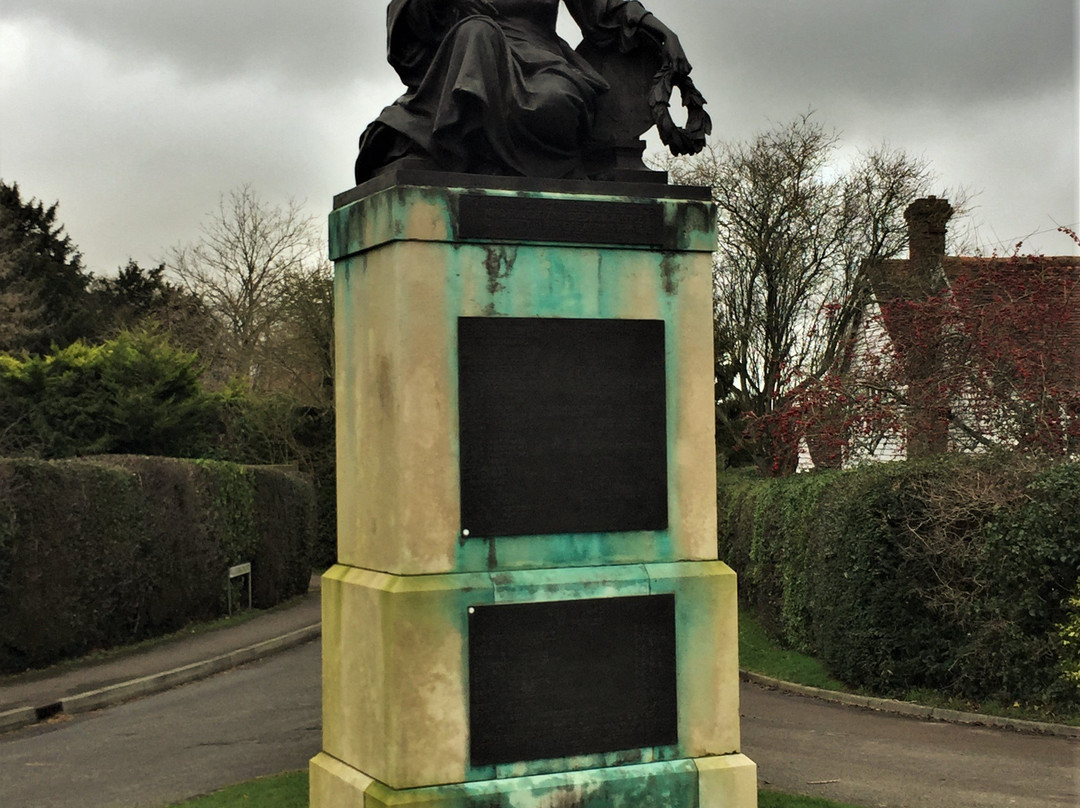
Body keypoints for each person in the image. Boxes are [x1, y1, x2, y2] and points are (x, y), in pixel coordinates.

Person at [354, 0, 699, 183]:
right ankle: (460, 152)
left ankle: (482, 151)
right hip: (466, 57)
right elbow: (406, 20)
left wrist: (662, 33)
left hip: (543, 62)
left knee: (558, 104)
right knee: (477, 33)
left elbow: (608, 7)